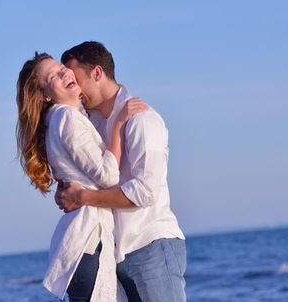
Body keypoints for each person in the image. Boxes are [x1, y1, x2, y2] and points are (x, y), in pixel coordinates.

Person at [55, 41, 187, 302]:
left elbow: (144, 192)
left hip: (150, 248)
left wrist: (83, 198)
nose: (75, 88)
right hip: (111, 256)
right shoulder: (88, 127)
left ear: (97, 73)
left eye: (77, 78)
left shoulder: (142, 119)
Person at [16, 52, 146, 301]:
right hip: (88, 240)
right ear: (45, 95)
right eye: (54, 75)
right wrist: (118, 123)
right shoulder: (66, 118)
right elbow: (107, 175)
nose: (65, 72)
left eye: (62, 68)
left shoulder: (60, 119)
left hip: (83, 243)